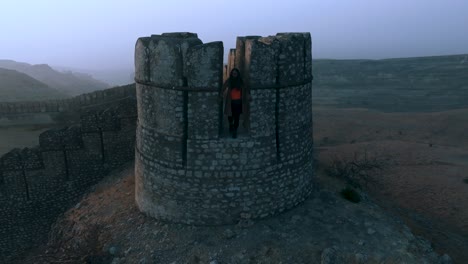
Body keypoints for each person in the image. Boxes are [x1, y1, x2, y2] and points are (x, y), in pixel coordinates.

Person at [219, 68, 251, 138]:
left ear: (237, 74)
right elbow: (224, 87)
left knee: (237, 117)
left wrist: (248, 95)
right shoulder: (229, 80)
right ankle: (231, 125)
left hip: (238, 102)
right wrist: (221, 94)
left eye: (235, 73)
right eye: (233, 73)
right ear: (231, 74)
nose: (234, 74)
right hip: (230, 103)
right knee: (230, 116)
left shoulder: (241, 81)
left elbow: (246, 88)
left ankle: (235, 130)